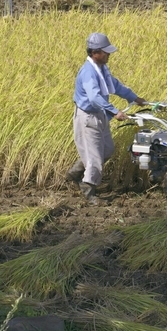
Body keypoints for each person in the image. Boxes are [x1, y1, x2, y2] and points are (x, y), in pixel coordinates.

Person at [66, 32, 147, 205]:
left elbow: (116, 86)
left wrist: (135, 98)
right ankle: (89, 191)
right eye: (105, 51)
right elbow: (94, 97)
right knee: (95, 158)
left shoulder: (102, 69)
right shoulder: (88, 72)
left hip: (100, 115)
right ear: (94, 52)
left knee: (107, 150)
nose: (109, 54)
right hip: (88, 118)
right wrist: (115, 111)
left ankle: (75, 173)